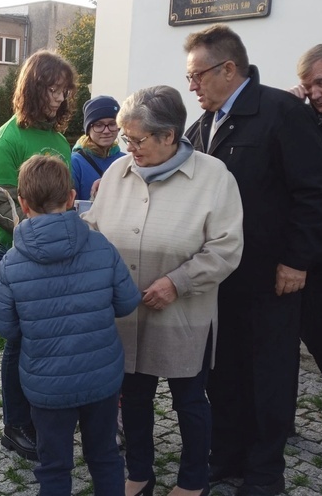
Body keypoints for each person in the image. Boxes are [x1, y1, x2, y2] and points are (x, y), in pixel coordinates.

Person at [183, 24, 322, 496]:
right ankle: (227, 456)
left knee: (269, 377)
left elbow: (316, 194)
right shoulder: (203, 124)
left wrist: (296, 260)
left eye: (197, 75)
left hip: (272, 278)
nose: (192, 85)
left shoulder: (281, 112)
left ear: (229, 69)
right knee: (223, 372)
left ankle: (265, 472)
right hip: (221, 278)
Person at [82, 85, 244, 496]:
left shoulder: (213, 177)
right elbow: (96, 230)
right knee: (133, 401)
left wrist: (178, 282)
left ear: (169, 135)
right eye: (126, 139)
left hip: (182, 314)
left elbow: (226, 247)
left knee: (189, 401)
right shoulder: (117, 173)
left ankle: (192, 481)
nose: (129, 148)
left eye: (138, 140)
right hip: (127, 312)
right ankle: (139, 473)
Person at [0, 154, 141, 495]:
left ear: (23, 204)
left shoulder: (12, 264)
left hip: (47, 385)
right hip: (101, 377)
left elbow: (6, 328)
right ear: (72, 198)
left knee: (54, 465)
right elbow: (128, 302)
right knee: (105, 457)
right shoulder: (102, 247)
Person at [0, 49, 77, 461]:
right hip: (21, 258)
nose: (58, 99)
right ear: (33, 89)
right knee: (20, 343)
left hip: (60, 257)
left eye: (63, 91)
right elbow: (0, 204)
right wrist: (42, 237)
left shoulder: (59, 140)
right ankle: (15, 425)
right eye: (51, 90)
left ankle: (43, 416)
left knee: (48, 341)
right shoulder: (8, 139)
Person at [288, 44, 322, 440]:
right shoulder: (304, 118)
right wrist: (289, 110)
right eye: (309, 86)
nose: (316, 92)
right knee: (317, 332)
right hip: (314, 249)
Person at [71, 95, 124, 200]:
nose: (106, 130)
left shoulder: (125, 161)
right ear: (88, 129)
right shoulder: (75, 162)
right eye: (99, 125)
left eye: (112, 124)